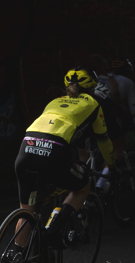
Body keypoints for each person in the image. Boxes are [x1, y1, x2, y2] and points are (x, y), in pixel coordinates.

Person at [14, 69, 114, 244]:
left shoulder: (54, 101)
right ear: (91, 89)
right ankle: (53, 231)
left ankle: (18, 257)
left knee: (27, 211)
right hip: (54, 152)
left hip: (26, 147)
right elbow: (103, 140)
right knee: (83, 187)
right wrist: (112, 164)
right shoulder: (92, 103)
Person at [93, 58, 135, 190]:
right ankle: (102, 183)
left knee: (84, 149)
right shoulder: (128, 83)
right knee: (118, 145)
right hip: (104, 109)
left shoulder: (99, 78)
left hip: (87, 107)